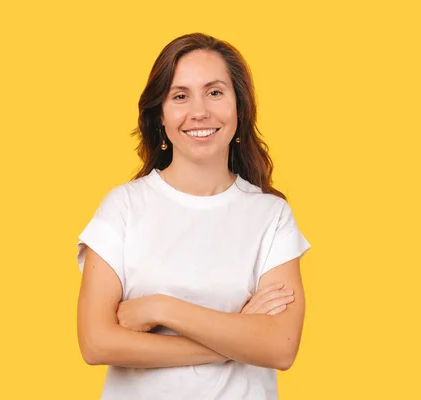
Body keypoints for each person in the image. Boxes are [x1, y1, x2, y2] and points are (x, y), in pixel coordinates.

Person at [76, 32, 311, 400]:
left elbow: (280, 347)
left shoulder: (272, 216)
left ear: (239, 109)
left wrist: (160, 307)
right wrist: (240, 336)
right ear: (161, 117)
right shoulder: (122, 208)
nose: (199, 111)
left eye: (215, 92)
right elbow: (96, 343)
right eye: (180, 96)